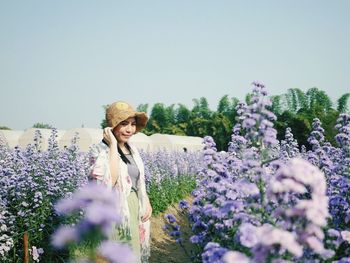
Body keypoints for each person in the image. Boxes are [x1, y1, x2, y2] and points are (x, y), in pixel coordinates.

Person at [89, 101, 152, 263]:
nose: (129, 129)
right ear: (111, 126)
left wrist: (146, 202)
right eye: (123, 124)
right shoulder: (99, 151)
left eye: (132, 124)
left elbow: (137, 179)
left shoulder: (132, 150)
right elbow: (109, 181)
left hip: (133, 209)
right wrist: (112, 146)